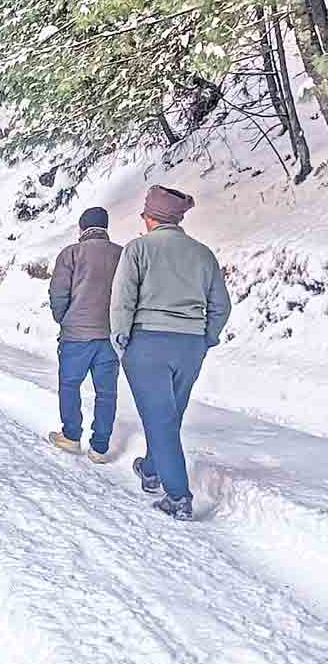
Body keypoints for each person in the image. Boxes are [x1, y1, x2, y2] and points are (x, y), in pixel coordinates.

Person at [110, 186, 232, 521]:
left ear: (150, 218)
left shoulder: (138, 249)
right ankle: (151, 468)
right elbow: (221, 306)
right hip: (190, 345)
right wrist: (206, 338)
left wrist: (120, 337)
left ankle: (178, 496)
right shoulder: (203, 254)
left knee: (160, 417)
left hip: (147, 343)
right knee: (168, 414)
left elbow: (123, 299)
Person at [47, 207, 123, 462]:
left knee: (70, 385)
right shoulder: (122, 255)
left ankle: (71, 436)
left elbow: (58, 293)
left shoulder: (72, 253)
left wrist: (64, 319)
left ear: (83, 228)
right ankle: (100, 447)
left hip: (76, 335)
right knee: (106, 392)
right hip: (110, 335)